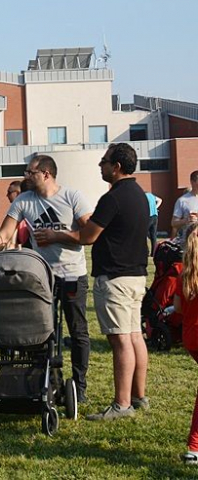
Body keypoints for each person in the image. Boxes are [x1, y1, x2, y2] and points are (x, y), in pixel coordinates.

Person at [0, 154, 93, 404]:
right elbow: (4, 233)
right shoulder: (24, 201)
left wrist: (58, 237)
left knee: (77, 331)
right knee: (38, 331)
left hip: (72, 276)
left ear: (46, 174)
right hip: (41, 278)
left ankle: (79, 386)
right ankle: (41, 381)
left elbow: (89, 234)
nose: (26, 177)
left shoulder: (72, 197)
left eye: (30, 173)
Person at [76, 143, 149, 421]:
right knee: (133, 337)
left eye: (104, 162)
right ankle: (139, 397)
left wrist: (57, 236)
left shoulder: (114, 197)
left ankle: (122, 404)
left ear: (116, 167)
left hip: (116, 278)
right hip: (136, 275)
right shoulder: (140, 195)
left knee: (120, 341)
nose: (100, 166)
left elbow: (88, 236)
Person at [174, 223, 198, 464]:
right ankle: (194, 446)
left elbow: (179, 307)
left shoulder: (185, 272)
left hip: (191, 338)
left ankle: (194, 446)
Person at [172, 170, 198, 241]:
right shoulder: (182, 200)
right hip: (189, 242)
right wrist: (186, 220)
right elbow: (174, 223)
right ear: (192, 182)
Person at [145, 191, 162, 256]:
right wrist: (156, 207)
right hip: (155, 216)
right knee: (153, 235)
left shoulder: (144, 196)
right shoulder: (152, 196)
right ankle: (154, 252)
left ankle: (146, 251)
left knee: (144, 233)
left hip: (148, 216)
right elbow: (160, 200)